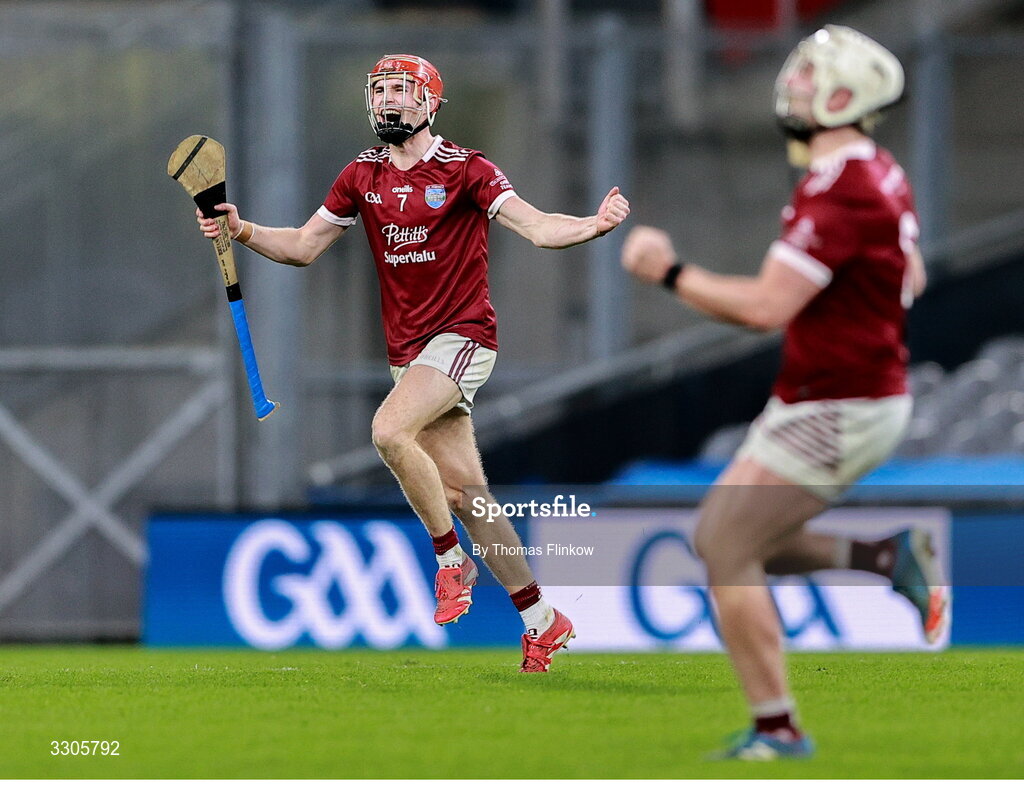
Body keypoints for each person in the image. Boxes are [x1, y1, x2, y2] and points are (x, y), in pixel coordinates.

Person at [198, 54, 630, 672]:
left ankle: (449, 560)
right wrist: (241, 229)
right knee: (466, 493)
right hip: (410, 353)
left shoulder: (467, 170)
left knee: (388, 431)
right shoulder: (360, 176)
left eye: (401, 90)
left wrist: (593, 223)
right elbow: (301, 246)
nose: (388, 101)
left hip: (463, 337)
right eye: (379, 90)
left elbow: (536, 228)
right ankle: (541, 619)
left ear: (430, 102)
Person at [621, 26, 949, 759]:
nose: (792, 85)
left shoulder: (845, 189)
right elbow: (913, 273)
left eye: (808, 77)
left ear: (843, 98)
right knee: (734, 540)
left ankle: (779, 729)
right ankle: (890, 558)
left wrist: (669, 271)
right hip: (827, 391)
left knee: (725, 542)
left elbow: (766, 307)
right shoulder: (875, 170)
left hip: (841, 401)